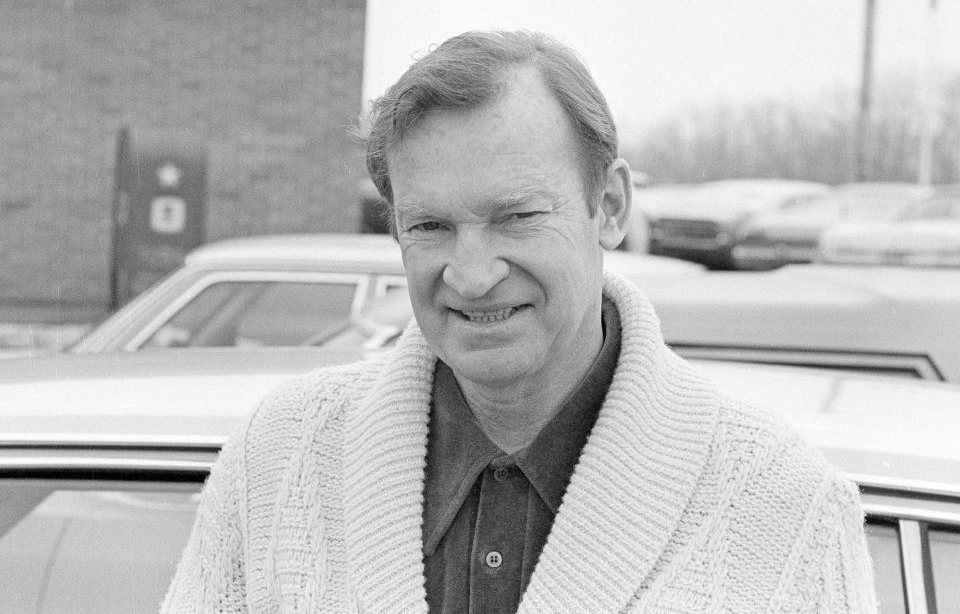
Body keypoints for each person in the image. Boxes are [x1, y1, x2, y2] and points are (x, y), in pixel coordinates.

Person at [161, 30, 877, 613]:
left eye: (517, 217)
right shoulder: (277, 461)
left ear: (611, 207)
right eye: (432, 225)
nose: (471, 275)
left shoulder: (783, 504)